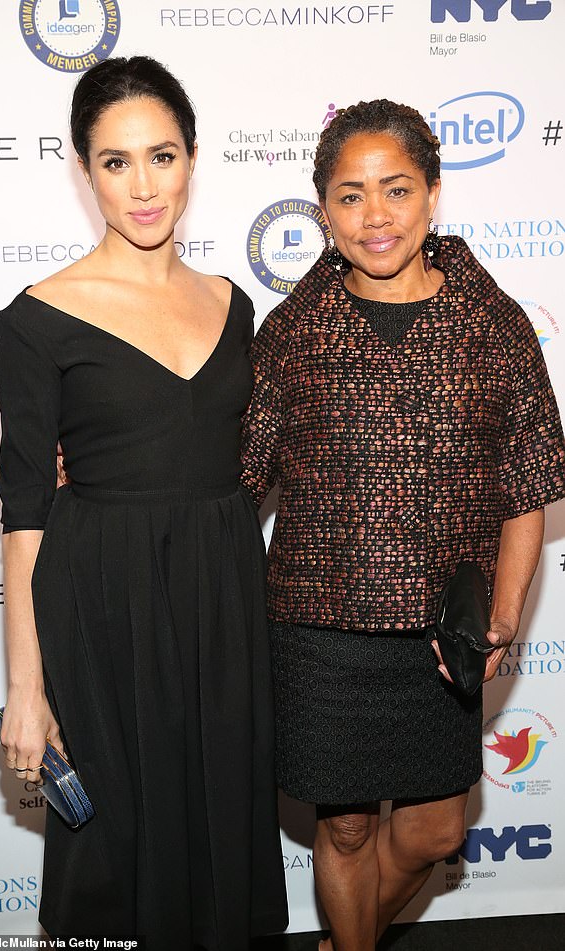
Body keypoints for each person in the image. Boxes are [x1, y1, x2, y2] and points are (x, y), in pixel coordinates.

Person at [240, 99, 565, 951]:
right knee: (342, 831)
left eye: (396, 190)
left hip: (438, 637)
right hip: (319, 632)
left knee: (434, 835)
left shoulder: (492, 323)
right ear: (324, 209)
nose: (374, 216)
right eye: (350, 195)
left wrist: (503, 614)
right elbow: (224, 473)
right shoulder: (292, 332)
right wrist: (97, 460)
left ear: (432, 195)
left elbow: (524, 486)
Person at [0, 55, 287, 948]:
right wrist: (25, 689)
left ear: (193, 158)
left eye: (162, 155)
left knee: (218, 836)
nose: (143, 185)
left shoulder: (237, 306)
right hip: (105, 609)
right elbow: (24, 515)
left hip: (225, 604)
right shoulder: (39, 317)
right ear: (85, 171)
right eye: (116, 162)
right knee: (121, 858)